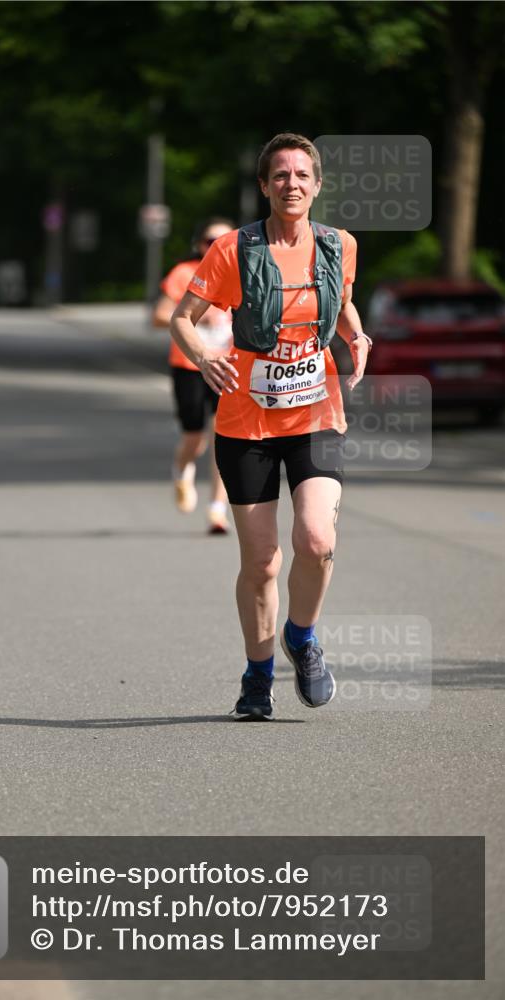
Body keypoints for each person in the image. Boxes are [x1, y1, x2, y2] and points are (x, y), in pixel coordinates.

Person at [170, 133, 371, 719]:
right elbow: (185, 319)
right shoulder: (234, 249)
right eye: (280, 175)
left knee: (317, 540)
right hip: (246, 421)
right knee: (261, 563)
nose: (292, 184)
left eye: (302, 175)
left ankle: (302, 638)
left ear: (317, 184)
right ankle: (258, 676)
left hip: (316, 414)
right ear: (264, 186)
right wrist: (203, 357)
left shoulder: (338, 246)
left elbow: (342, 300)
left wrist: (354, 335)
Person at [153, 218, 234, 534]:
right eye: (209, 241)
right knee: (194, 437)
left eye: (223, 241)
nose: (215, 247)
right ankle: (182, 469)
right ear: (199, 244)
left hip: (228, 365)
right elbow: (161, 316)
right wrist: (195, 321)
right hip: (189, 365)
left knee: (224, 439)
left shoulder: (242, 273)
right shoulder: (185, 273)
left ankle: (217, 510)